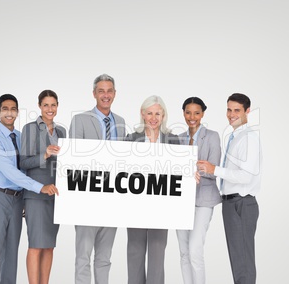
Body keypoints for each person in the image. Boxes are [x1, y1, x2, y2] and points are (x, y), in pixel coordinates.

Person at [0, 94, 58, 284]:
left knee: (11, 252)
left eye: (13, 109)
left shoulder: (21, 136)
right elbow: (10, 172)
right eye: (5, 109)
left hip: (17, 199)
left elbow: (25, 167)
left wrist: (25, 198)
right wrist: (40, 188)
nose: (10, 113)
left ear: (17, 112)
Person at [197, 93, 262, 284]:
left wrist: (214, 169)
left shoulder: (248, 138)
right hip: (232, 204)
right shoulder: (235, 137)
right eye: (229, 109)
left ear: (247, 111)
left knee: (243, 262)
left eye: (237, 110)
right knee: (237, 259)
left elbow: (246, 176)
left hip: (241, 204)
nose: (231, 114)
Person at [69, 74, 126, 284]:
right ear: (94, 94)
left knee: (104, 258)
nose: (105, 95)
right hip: (87, 199)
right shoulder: (80, 120)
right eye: (101, 91)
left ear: (115, 94)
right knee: (83, 257)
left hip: (112, 199)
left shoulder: (120, 122)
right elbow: (73, 158)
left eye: (109, 91)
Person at [125, 95, 179, 284]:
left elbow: (179, 170)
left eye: (157, 113)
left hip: (161, 207)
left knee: (157, 252)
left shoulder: (173, 140)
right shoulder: (131, 139)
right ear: (142, 114)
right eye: (149, 113)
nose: (153, 117)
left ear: (163, 115)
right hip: (136, 205)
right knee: (135, 251)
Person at [20, 90, 66, 284]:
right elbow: (23, 163)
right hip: (36, 195)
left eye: (53, 105)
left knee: (49, 246)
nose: (50, 109)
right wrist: (45, 154)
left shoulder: (62, 132)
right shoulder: (30, 129)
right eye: (46, 105)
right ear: (39, 106)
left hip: (56, 195)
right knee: (36, 245)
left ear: (57, 106)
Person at [175, 97, 221, 284]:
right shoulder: (178, 139)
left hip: (204, 199)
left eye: (196, 112)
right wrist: (188, 170)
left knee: (195, 250)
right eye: (188, 112)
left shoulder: (212, 136)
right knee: (184, 252)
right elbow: (173, 169)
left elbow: (213, 169)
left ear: (203, 114)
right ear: (183, 113)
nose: (192, 117)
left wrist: (190, 170)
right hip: (181, 200)